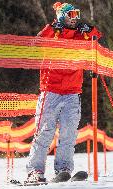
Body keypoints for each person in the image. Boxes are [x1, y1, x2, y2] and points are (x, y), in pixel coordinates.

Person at [25, 2, 103, 183]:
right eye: (71, 15)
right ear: (61, 16)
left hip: (72, 91)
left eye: (77, 15)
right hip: (50, 90)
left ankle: (64, 168)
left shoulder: (80, 35)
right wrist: (51, 27)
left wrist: (89, 28)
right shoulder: (53, 32)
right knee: (45, 131)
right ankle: (35, 170)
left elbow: (96, 37)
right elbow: (36, 43)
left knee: (69, 132)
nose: (75, 18)